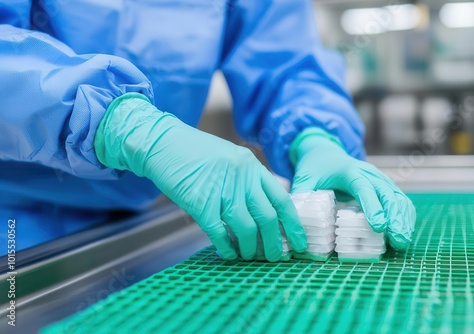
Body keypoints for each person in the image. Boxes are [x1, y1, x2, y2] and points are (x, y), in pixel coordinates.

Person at [0, 0, 415, 261]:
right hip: (17, 228)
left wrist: (316, 135)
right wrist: (120, 124)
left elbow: (283, 59)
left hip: (126, 226)